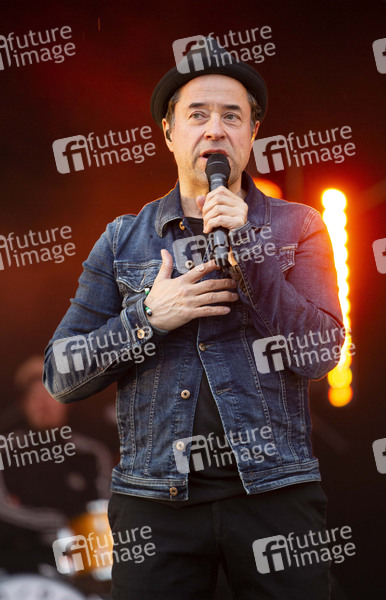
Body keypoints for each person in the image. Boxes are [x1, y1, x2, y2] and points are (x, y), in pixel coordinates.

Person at [43, 41, 343, 600]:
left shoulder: (299, 225)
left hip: (275, 492)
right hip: (155, 501)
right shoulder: (123, 239)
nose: (215, 130)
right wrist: (148, 318)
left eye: (232, 116)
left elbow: (321, 353)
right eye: (198, 115)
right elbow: (61, 373)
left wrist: (251, 251)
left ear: (252, 134)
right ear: (169, 132)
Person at [0, 355, 112, 574]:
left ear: (69, 401)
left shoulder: (92, 453)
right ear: (23, 404)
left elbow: (106, 510)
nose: (44, 403)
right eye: (34, 396)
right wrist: (64, 522)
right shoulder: (4, 451)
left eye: (52, 394)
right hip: (18, 568)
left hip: (87, 565)